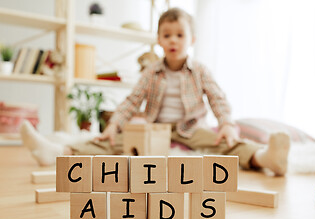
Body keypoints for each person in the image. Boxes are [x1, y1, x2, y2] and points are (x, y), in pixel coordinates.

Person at [21, 8, 290, 176]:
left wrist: (227, 125)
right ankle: (59, 153)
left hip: (191, 128)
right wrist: (115, 124)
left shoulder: (201, 71)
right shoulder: (151, 71)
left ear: (191, 40)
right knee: (114, 141)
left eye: (180, 35)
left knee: (224, 144)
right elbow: (132, 100)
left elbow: (218, 99)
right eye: (167, 35)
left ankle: (265, 158)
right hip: (155, 129)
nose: (173, 40)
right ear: (159, 39)